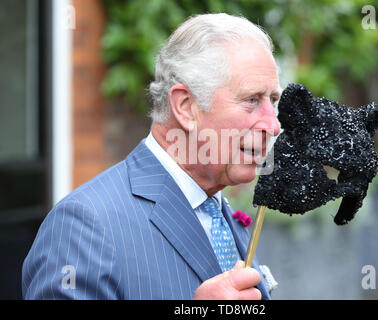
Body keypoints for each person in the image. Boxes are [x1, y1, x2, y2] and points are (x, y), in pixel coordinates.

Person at [22, 13, 281, 300]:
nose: (273, 125)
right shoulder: (84, 224)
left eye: (273, 101)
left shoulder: (223, 215)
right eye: (252, 100)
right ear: (185, 106)